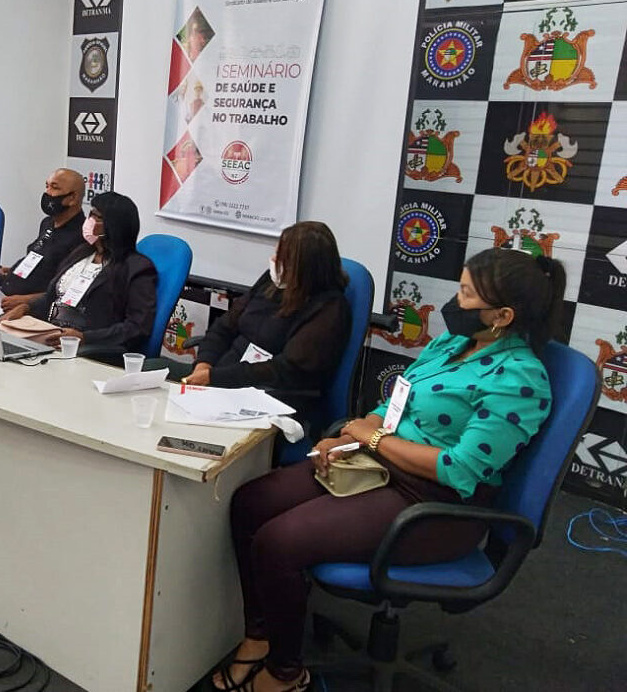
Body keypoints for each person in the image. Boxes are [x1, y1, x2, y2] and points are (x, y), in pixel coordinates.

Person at [214, 247, 566, 692]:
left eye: (466, 294)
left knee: (278, 541)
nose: (454, 302)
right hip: (379, 464)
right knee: (251, 502)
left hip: (435, 503)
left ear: (502, 316)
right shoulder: (451, 345)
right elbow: (395, 402)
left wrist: (374, 439)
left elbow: (458, 470)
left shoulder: (519, 379)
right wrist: (351, 435)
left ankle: (285, 673)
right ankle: (261, 634)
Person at [170, 222, 350, 421]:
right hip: (220, 377)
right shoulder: (271, 283)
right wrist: (204, 364)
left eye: (282, 258)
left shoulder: (329, 309)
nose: (273, 260)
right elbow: (224, 327)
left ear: (303, 268)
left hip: (267, 395)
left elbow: (286, 370)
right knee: (155, 369)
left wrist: (215, 378)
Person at [1, 192, 156, 353]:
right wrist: (26, 307)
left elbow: (138, 327)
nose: (89, 221)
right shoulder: (82, 253)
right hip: (50, 333)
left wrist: (84, 338)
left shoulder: (136, 268)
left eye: (97, 217)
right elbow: (53, 296)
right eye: (90, 214)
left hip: (89, 348)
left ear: (114, 225)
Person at [0, 169, 87, 311]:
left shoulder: (81, 236)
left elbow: (66, 289)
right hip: (4, 294)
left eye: (55, 188)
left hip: (29, 308)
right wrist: (14, 270)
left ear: (73, 198)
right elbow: (38, 259)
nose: (47, 193)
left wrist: (27, 301)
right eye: (47, 186)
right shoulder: (47, 223)